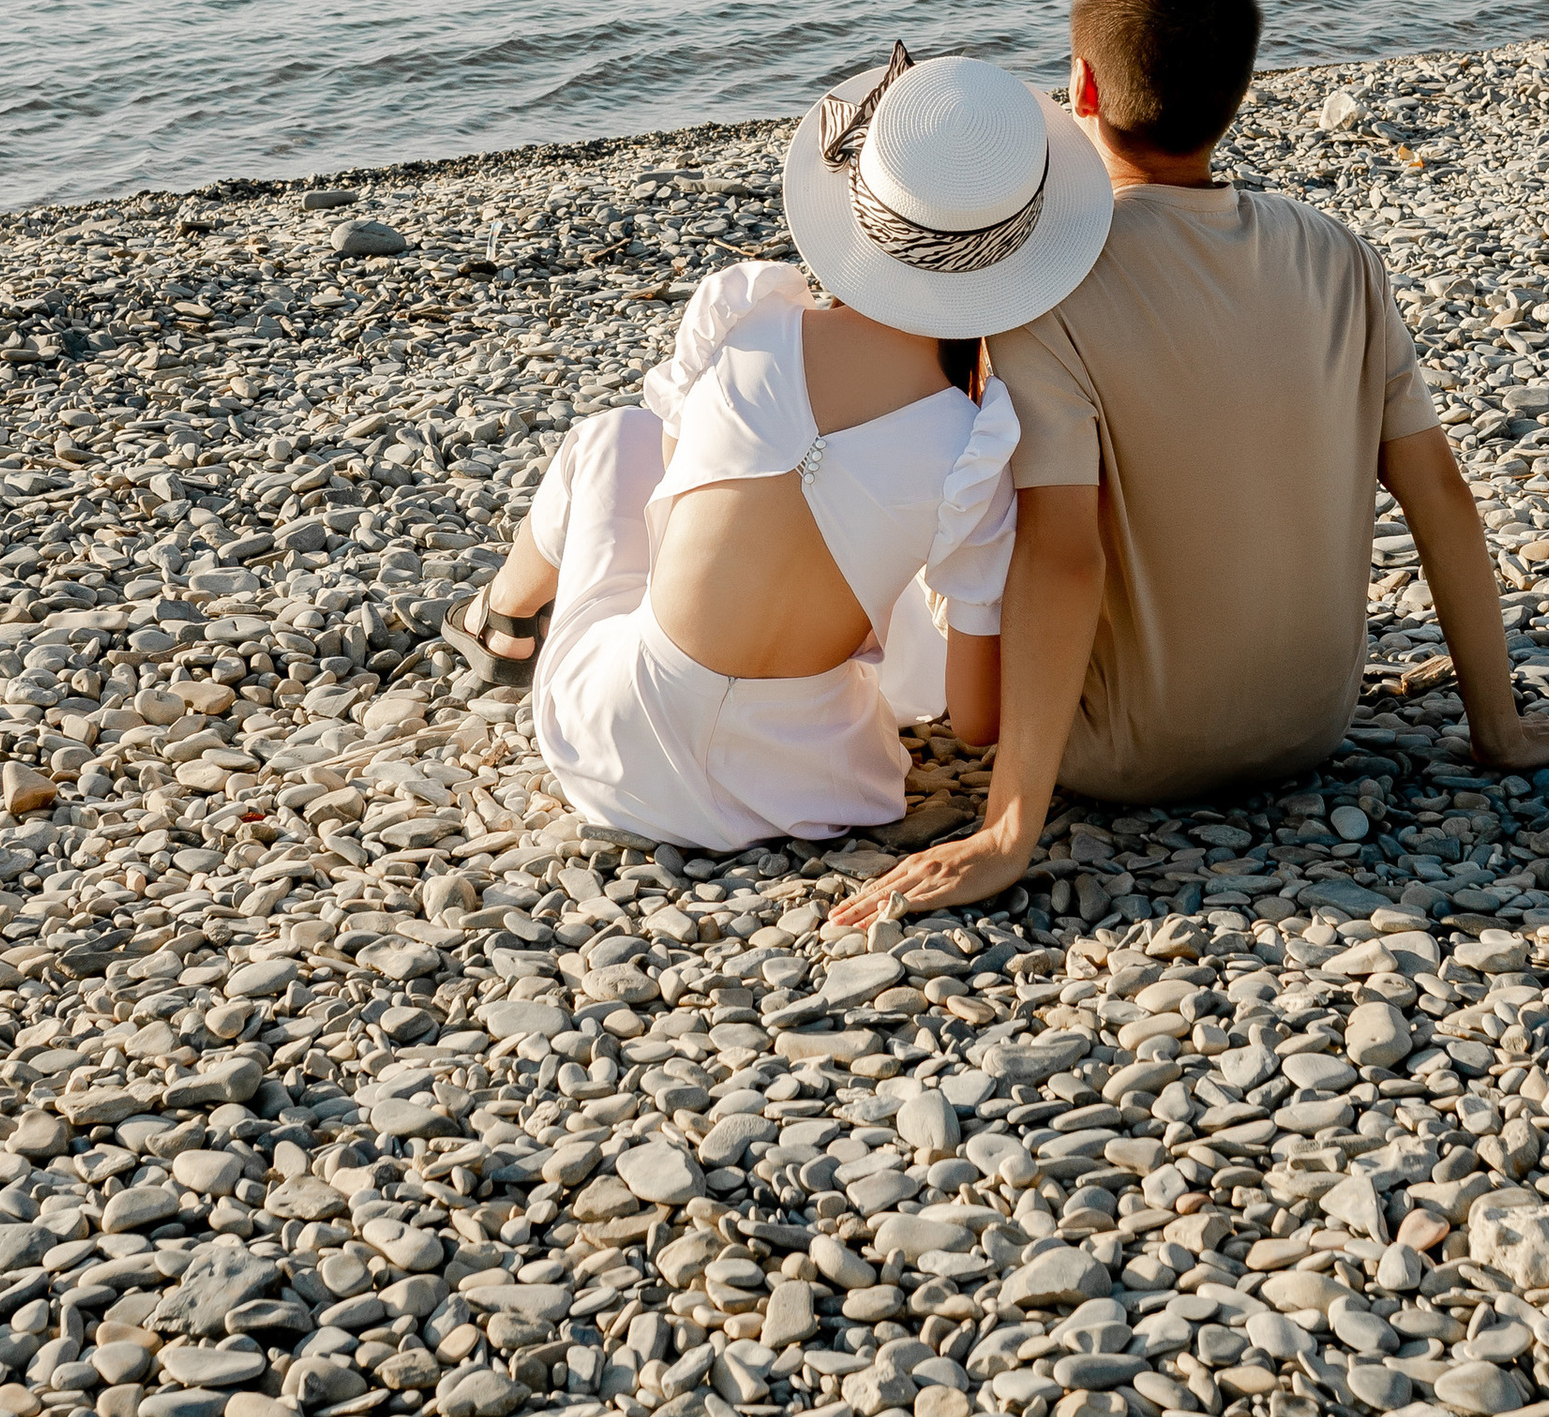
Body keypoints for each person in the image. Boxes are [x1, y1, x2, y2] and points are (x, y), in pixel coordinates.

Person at [835, 0, 1549, 930]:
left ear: (1078, 86)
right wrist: (1494, 724)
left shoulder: (1044, 292)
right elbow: (1439, 494)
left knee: (949, 483)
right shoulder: (1340, 255)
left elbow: (1061, 559)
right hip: (1311, 723)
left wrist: (1010, 826)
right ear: (1241, 92)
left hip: (1123, 754)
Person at [461, 46, 1115, 854]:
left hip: (613, 744)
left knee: (615, 439)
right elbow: (977, 720)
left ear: (860, 200)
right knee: (885, 563)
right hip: (804, 785)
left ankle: (504, 620)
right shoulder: (975, 446)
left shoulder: (749, 316)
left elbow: (673, 507)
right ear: (1016, 251)